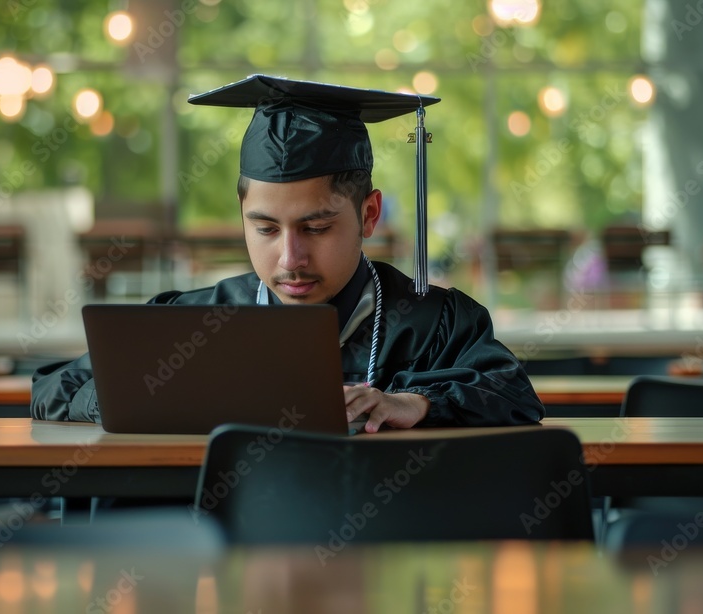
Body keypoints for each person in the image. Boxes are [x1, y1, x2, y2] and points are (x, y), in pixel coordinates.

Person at [31, 75, 544, 431]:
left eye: (316, 227)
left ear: (368, 215)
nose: (289, 258)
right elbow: (52, 388)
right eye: (266, 229)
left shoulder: (436, 322)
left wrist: (418, 402)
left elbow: (512, 392)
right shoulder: (193, 323)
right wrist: (146, 398)